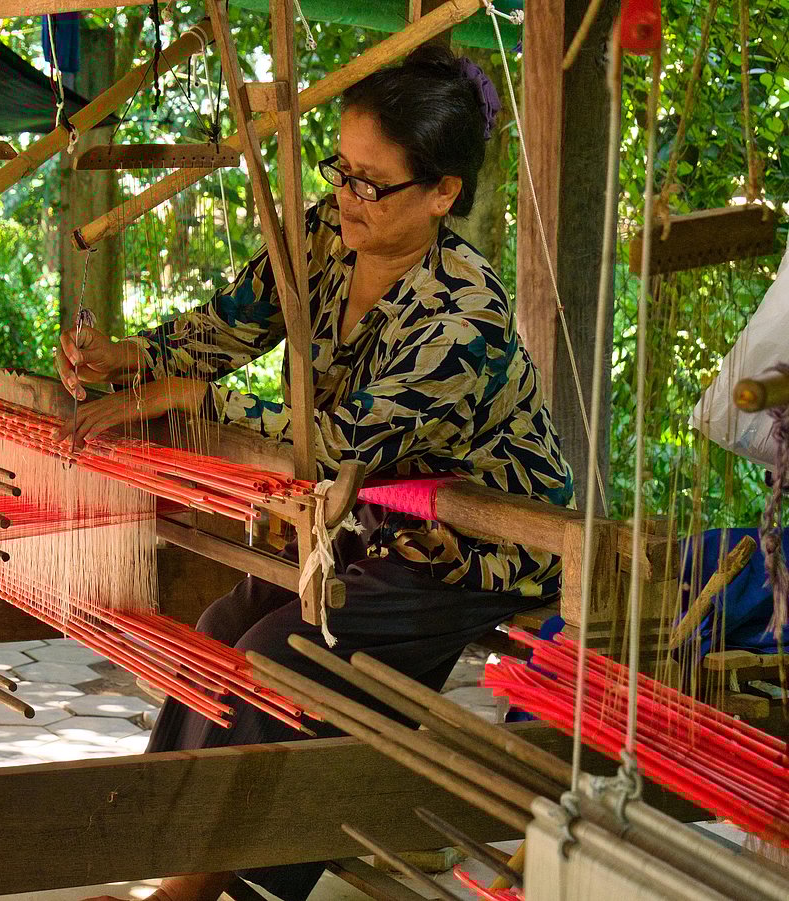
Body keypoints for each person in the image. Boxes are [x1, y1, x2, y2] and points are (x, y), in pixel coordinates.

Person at [54, 46, 574, 901]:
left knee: (281, 653)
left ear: (442, 193)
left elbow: (340, 439)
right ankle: (171, 838)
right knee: (225, 623)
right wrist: (132, 357)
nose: (346, 195)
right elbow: (235, 321)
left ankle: (203, 883)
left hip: (482, 546)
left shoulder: (464, 315)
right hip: (380, 521)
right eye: (342, 170)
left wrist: (193, 402)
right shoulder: (329, 236)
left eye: (374, 183)